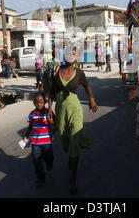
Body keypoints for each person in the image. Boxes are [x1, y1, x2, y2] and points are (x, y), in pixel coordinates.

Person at [48, 46, 98, 194]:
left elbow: (87, 86)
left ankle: (72, 181)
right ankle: (71, 156)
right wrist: (49, 109)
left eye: (74, 55)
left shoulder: (79, 73)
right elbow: (51, 91)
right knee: (65, 141)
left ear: (76, 58)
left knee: (74, 140)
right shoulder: (56, 71)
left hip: (75, 109)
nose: (71, 56)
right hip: (61, 110)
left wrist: (92, 99)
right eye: (69, 53)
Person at [23, 92, 55, 188]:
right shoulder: (32, 114)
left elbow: (54, 124)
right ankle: (41, 178)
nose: (39, 104)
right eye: (36, 102)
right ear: (33, 103)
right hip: (35, 142)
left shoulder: (48, 113)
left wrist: (51, 121)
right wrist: (26, 135)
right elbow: (30, 125)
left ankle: (49, 164)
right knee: (36, 161)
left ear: (44, 102)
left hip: (46, 142)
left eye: (41, 102)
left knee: (48, 158)